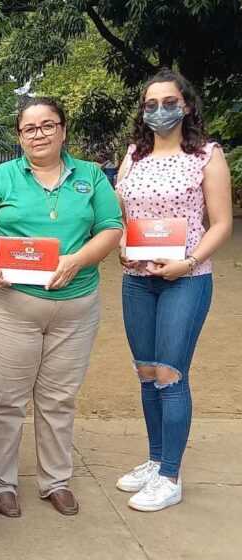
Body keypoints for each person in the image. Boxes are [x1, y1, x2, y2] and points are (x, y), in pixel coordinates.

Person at [0, 97, 123, 517]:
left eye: (48, 125)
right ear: (19, 136)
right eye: (30, 128)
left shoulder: (90, 176)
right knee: (7, 398)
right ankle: (0, 482)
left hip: (75, 306)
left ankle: (56, 481)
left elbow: (110, 229)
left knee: (59, 398)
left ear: (63, 130)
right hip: (10, 305)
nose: (40, 134)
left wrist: (78, 260)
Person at [113, 69, 233, 511]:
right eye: (150, 104)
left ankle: (170, 476)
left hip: (186, 279)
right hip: (138, 280)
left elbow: (221, 222)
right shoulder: (133, 156)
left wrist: (188, 262)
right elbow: (119, 214)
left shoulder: (206, 156)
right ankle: (155, 458)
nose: (158, 111)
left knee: (170, 373)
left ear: (186, 106)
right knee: (146, 372)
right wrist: (123, 246)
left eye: (168, 102)